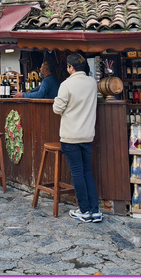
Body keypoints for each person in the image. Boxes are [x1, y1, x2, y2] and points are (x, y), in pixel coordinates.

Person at [53, 53, 102, 223]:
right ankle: (95, 211)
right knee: (87, 171)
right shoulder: (92, 83)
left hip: (71, 136)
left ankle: (84, 210)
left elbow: (57, 109)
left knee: (77, 173)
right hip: (88, 135)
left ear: (71, 67)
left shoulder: (66, 84)